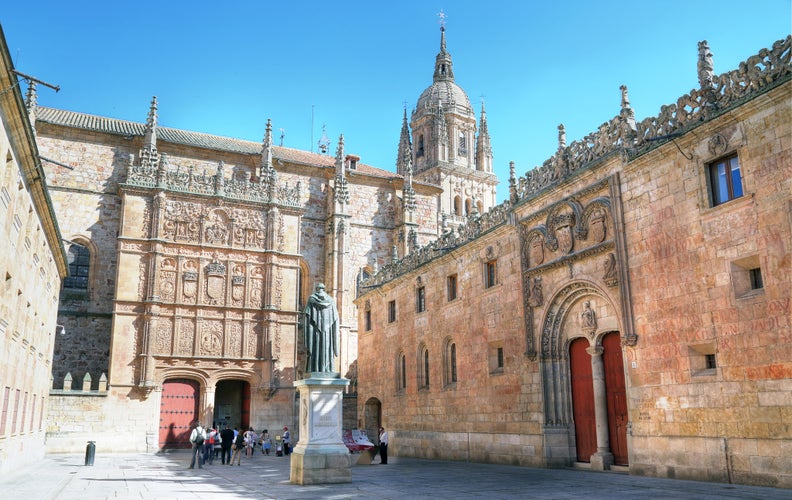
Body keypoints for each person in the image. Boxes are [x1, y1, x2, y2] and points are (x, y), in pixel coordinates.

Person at [303, 283, 339, 373]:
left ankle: (313, 368)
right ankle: (328, 369)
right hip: (328, 331)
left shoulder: (311, 299)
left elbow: (307, 315)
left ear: (317, 289)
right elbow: (335, 317)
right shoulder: (331, 300)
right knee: (327, 348)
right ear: (324, 289)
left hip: (315, 330)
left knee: (315, 347)